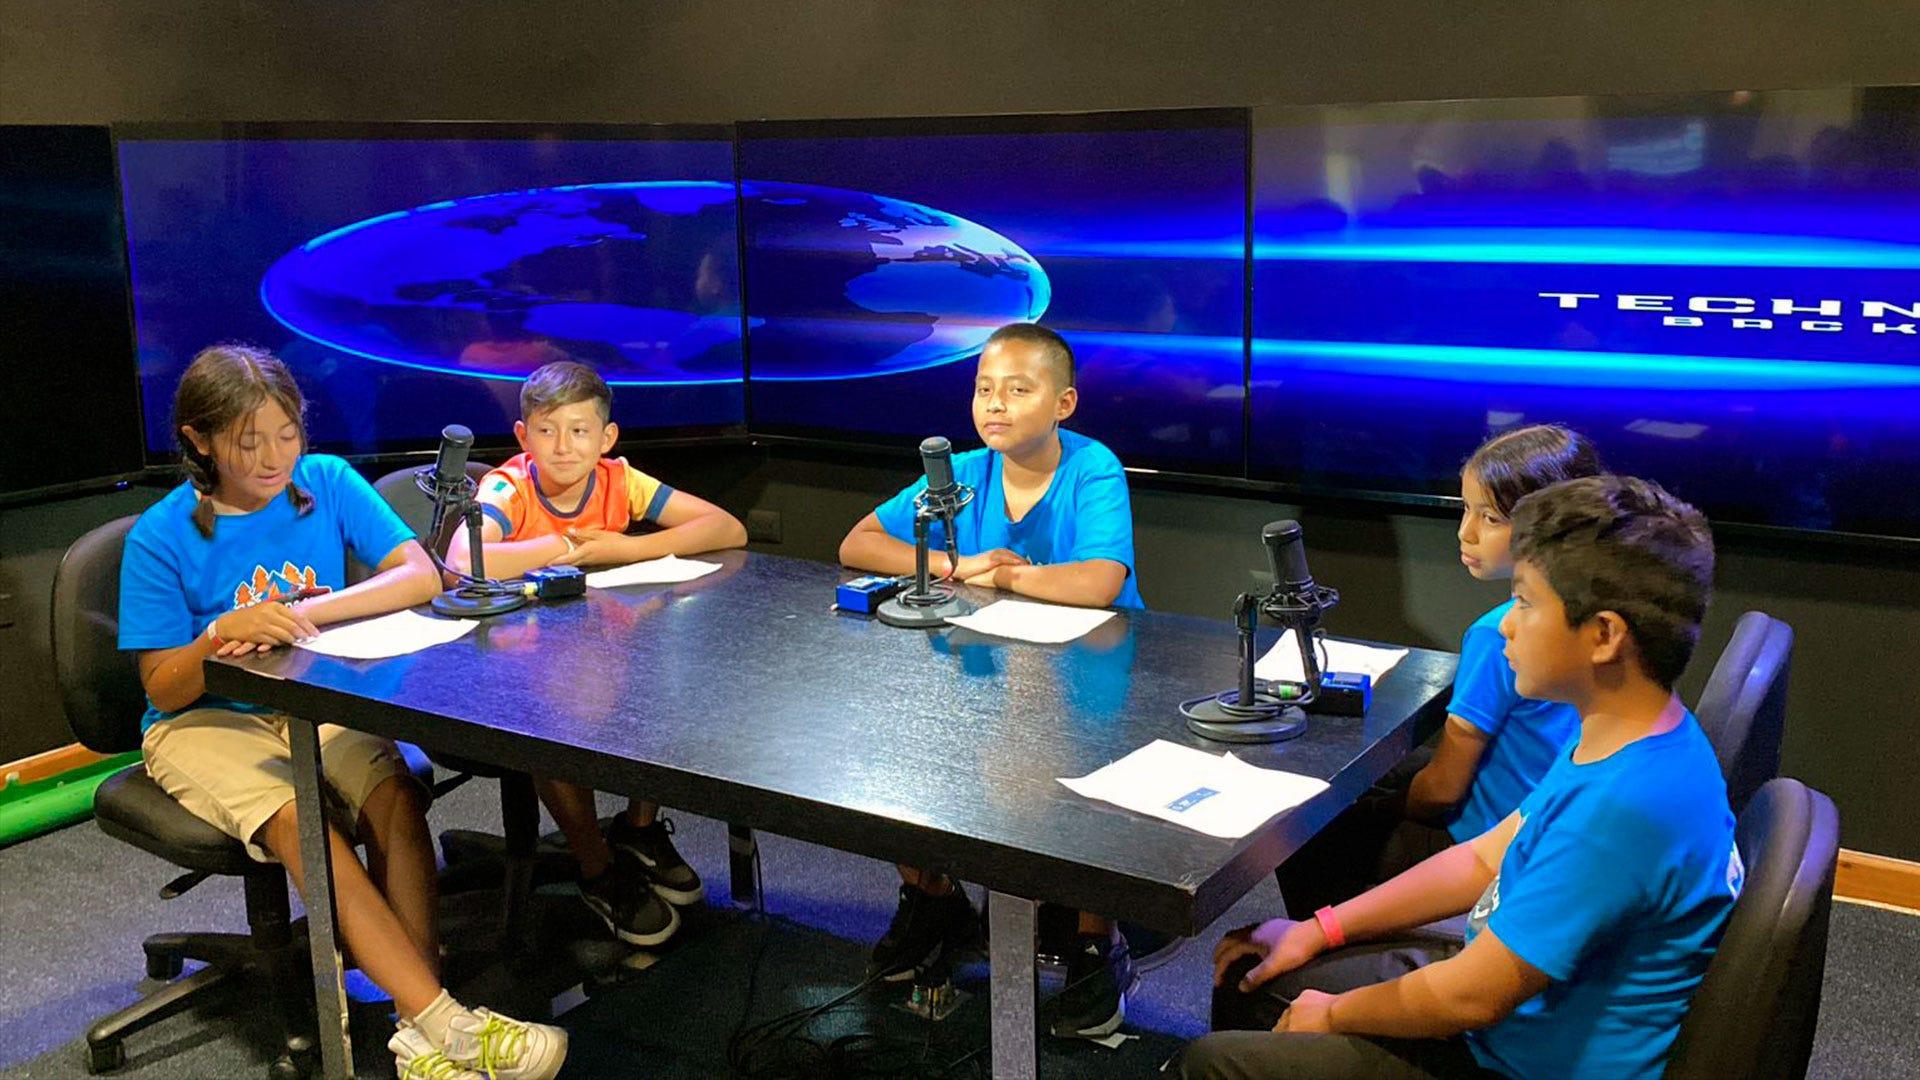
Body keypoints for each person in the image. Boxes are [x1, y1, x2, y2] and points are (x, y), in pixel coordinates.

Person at [1173, 475, 1740, 1080]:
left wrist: (1333, 1014)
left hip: (1509, 1061)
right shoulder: (1623, 729)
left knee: (1213, 1063)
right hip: (1511, 1014)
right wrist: (1320, 929)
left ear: (1603, 636)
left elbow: (1473, 996)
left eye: (1525, 603)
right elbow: (1483, 859)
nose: (1505, 626)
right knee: (1258, 972)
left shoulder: (1623, 808)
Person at [119, 344, 566, 1079]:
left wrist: (307, 612)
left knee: (392, 795)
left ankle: (416, 1029)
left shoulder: (322, 482)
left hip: (315, 697)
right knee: (302, 817)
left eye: (287, 432)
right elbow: (164, 688)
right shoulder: (162, 536)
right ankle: (446, 1023)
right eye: (248, 440)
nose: (273, 457)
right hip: (203, 722)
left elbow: (417, 573)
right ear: (199, 440)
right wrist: (217, 635)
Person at [838, 322, 1143, 1038]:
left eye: (1018, 389)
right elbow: (858, 543)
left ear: (1063, 403)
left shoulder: (1093, 468)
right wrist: (951, 566)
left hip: (1089, 675)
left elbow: (1100, 583)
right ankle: (934, 900)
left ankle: (1096, 939)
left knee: (1071, 764)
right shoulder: (963, 474)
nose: (995, 405)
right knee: (893, 746)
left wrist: (1005, 573)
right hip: (981, 673)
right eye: (983, 389)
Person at [449, 359, 747, 947]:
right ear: (522, 437)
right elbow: (465, 558)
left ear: (606, 438)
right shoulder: (508, 487)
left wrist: (622, 547)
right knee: (550, 720)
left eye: (580, 431)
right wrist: (565, 547)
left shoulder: (619, 479)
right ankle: (596, 867)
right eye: (547, 431)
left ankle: (637, 831)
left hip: (603, 647)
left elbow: (725, 528)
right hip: (520, 663)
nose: (564, 447)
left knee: (672, 689)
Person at [1276, 425, 1603, 918]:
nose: (1465, 532)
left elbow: (1441, 792)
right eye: (1465, 508)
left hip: (1484, 842)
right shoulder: (1598, 610)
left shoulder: (1500, 634)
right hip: (1547, 828)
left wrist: (1368, 811)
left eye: (1490, 517)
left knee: (1307, 828)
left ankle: (1314, 957)